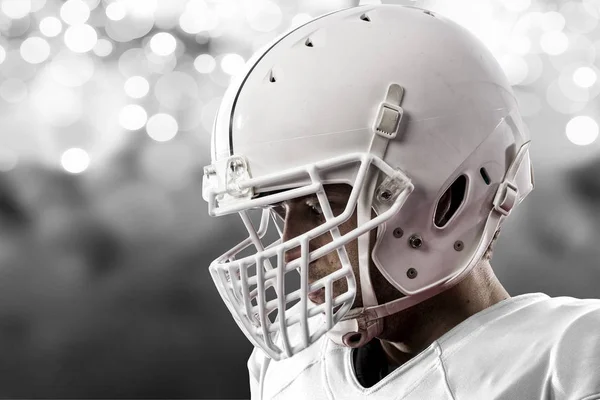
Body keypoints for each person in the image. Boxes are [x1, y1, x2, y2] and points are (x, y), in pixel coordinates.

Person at [202, 4, 600, 399]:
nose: (289, 251)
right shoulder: (286, 369)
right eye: (278, 211)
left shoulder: (573, 367)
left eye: (318, 208)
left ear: (447, 202)